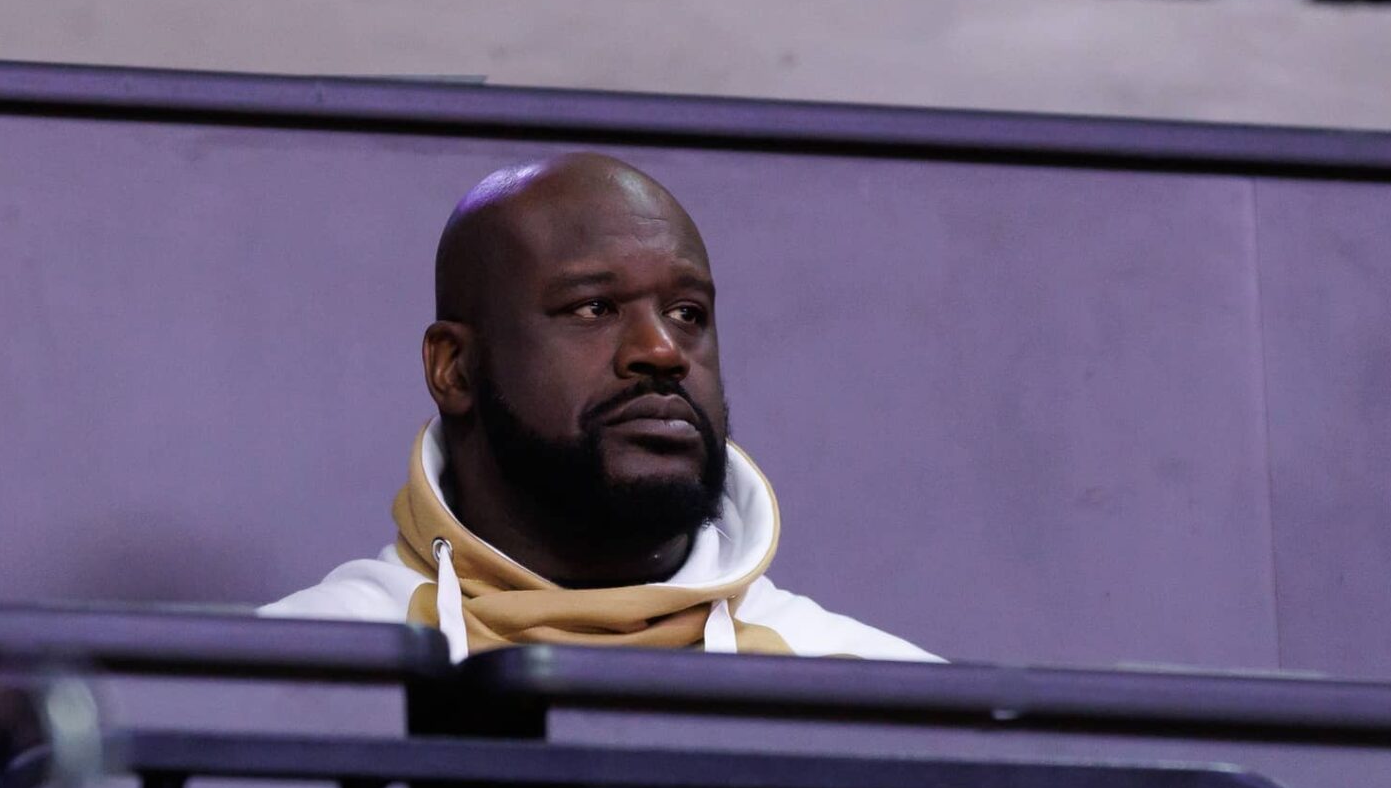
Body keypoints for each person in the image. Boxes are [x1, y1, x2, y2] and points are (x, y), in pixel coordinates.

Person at [261, 152, 940, 662]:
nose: (662, 350)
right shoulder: (298, 674)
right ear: (455, 367)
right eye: (593, 307)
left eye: (687, 313)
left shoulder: (874, 694)